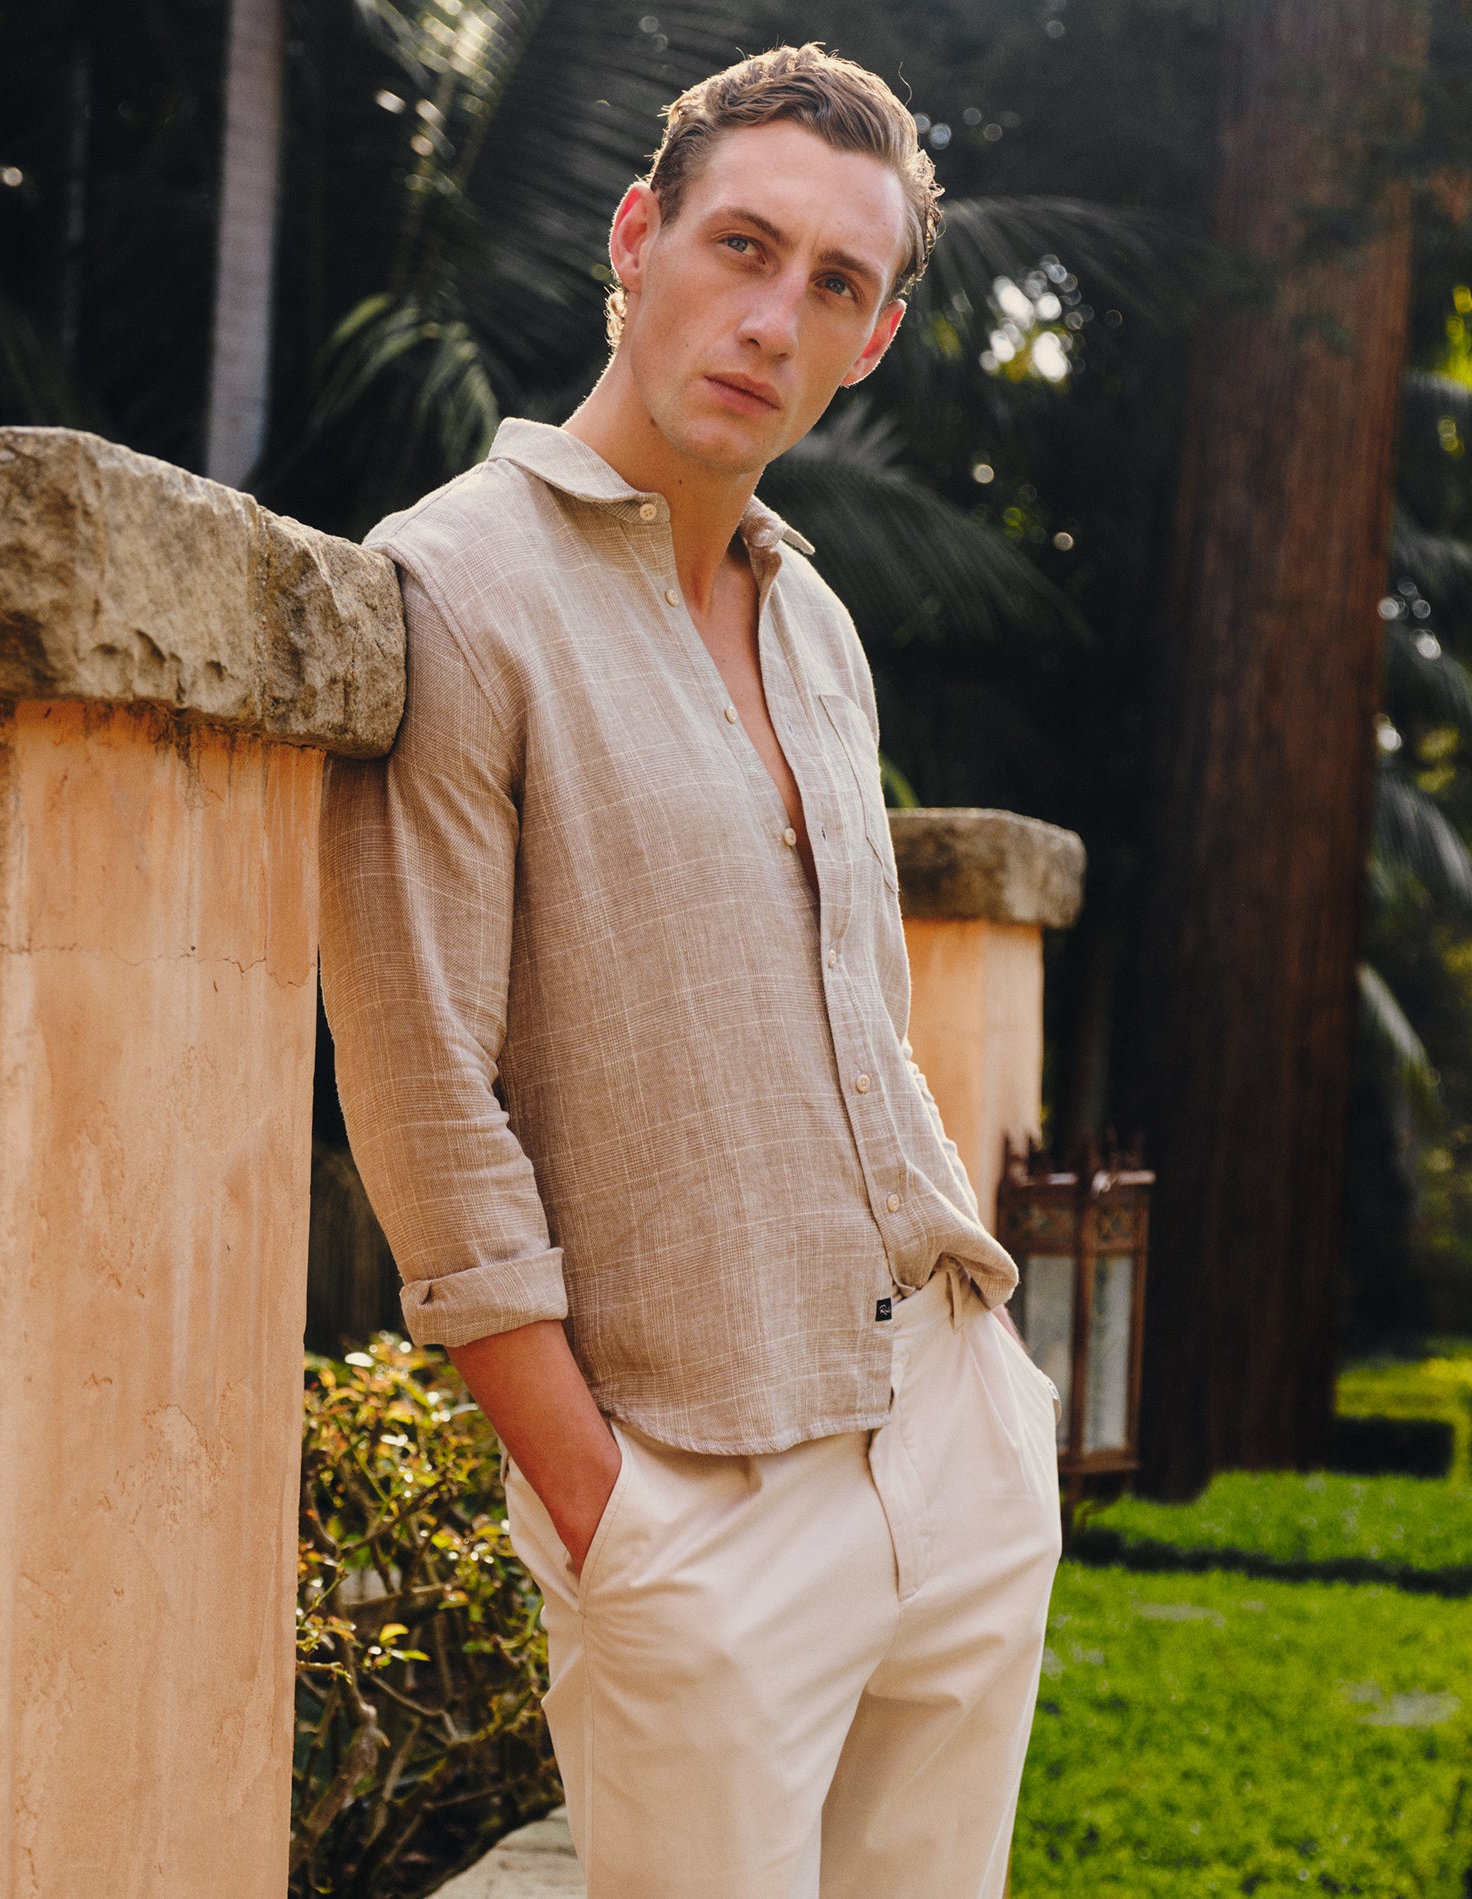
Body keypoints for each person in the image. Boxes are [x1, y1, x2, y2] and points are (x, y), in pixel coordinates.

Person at [319, 42, 1062, 1899]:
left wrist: (996, 1401)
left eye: (835, 284)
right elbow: (422, 1091)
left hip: (952, 1445)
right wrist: (609, 1515)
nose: (772, 319)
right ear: (638, 236)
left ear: (873, 340)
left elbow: (863, 1022)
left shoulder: (818, 624)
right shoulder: (460, 586)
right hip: (696, 1500)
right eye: (743, 245)